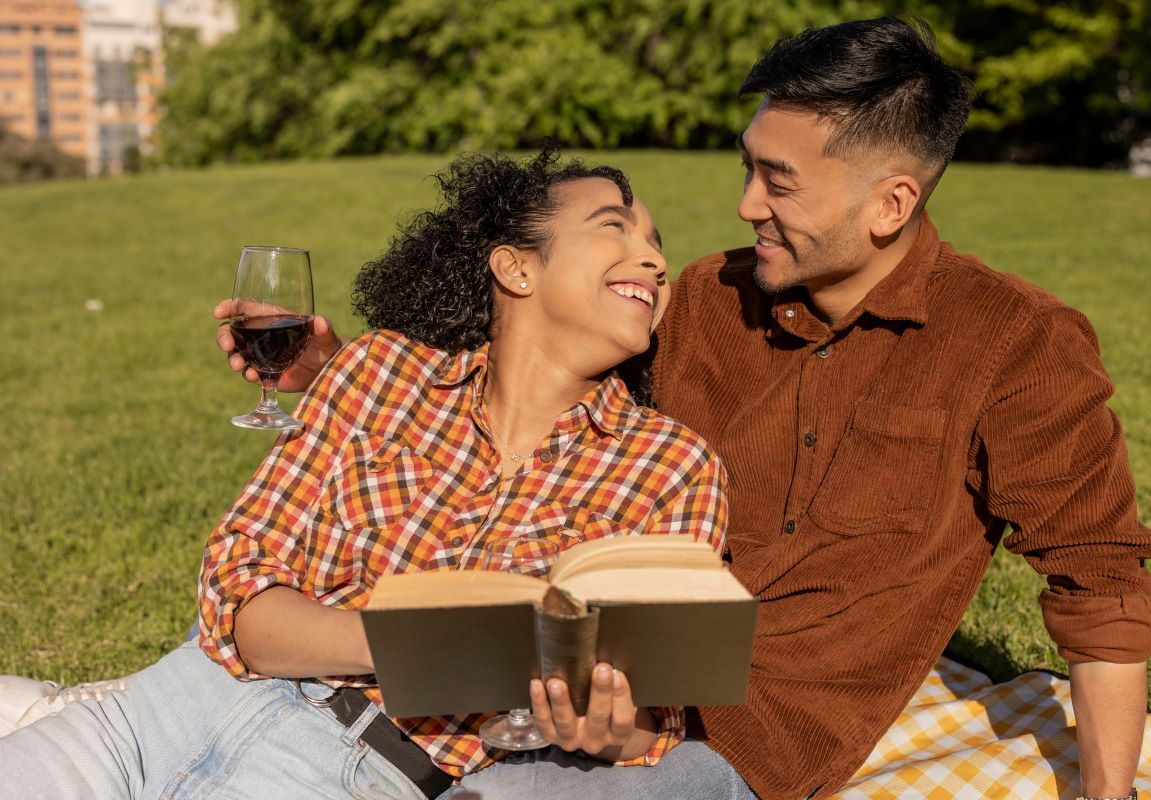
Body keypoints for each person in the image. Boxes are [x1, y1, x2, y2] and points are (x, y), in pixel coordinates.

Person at [217, 17, 1151, 800]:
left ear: (891, 204)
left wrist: (1108, 795)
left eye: (780, 181)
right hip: (552, 689)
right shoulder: (710, 298)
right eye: (748, 165)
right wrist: (334, 370)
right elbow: (538, 359)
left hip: (747, 744)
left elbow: (1104, 586)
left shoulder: (1018, 345)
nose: (747, 203)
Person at [0, 148, 731, 798]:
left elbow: (650, 730)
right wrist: (413, 642)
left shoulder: (672, 466)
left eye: (658, 244)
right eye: (616, 227)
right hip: (171, 705)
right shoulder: (380, 371)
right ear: (516, 266)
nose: (654, 259)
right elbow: (239, 592)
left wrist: (599, 727)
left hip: (356, 772)